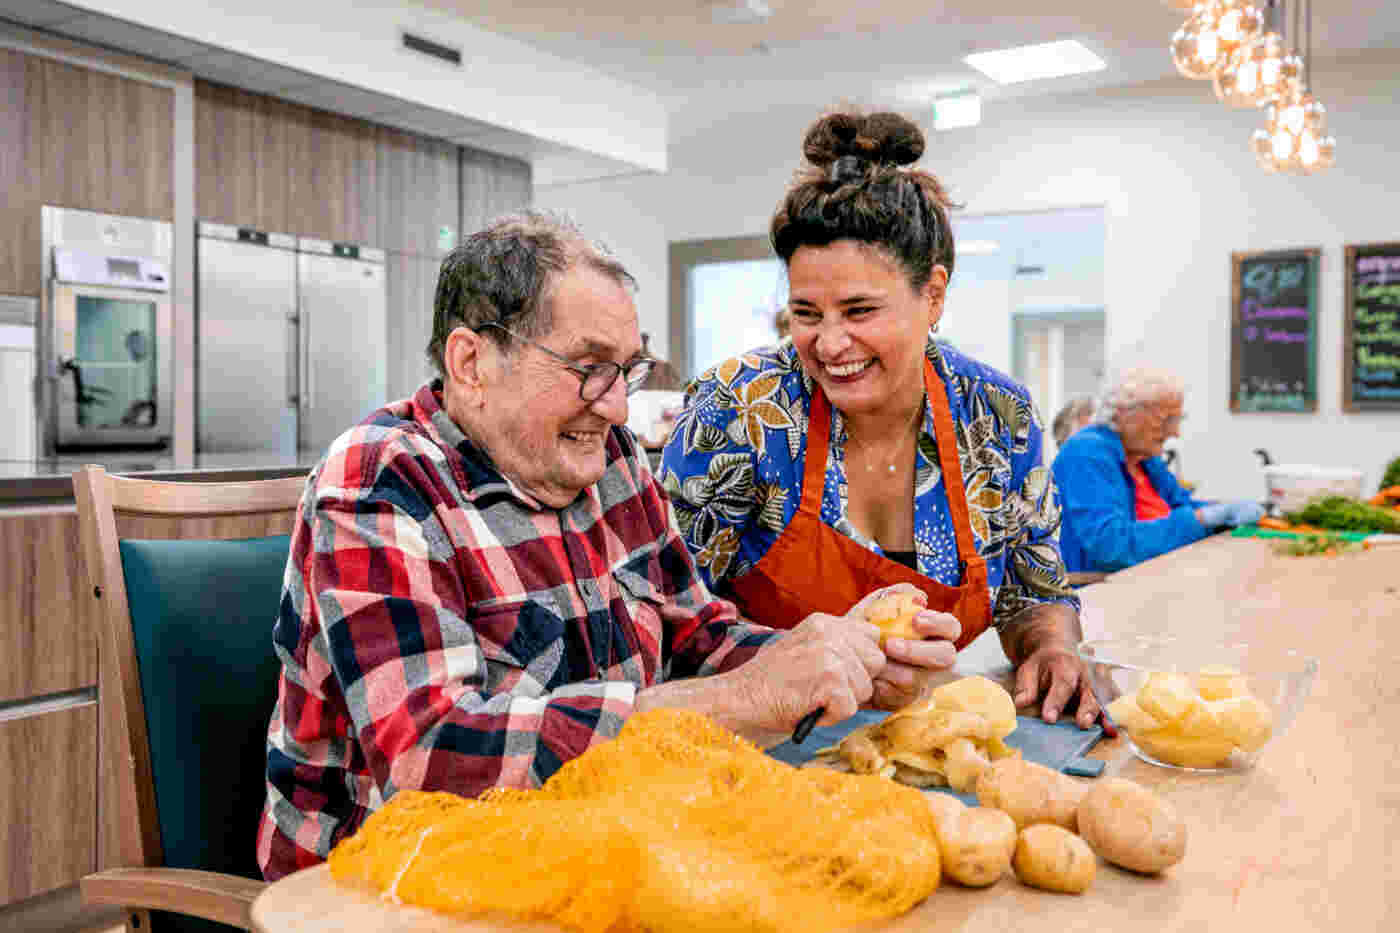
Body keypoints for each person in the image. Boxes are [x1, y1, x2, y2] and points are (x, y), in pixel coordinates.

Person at [257, 212, 959, 881]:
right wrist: (735, 700)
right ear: (471, 362)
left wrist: (834, 656)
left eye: (628, 370)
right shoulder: (380, 481)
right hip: (386, 888)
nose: (620, 407)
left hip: (593, 851)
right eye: (590, 368)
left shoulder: (611, 459)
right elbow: (430, 761)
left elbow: (700, 637)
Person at [659, 110, 1102, 737]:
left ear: (934, 294)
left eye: (860, 310)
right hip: (758, 749)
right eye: (807, 312)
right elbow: (662, 616)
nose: (831, 344)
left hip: (920, 745)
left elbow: (1032, 592)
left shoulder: (998, 417)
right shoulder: (739, 411)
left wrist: (1053, 647)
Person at [1051, 367, 1264, 573]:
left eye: (1177, 420)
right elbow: (1111, 547)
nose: (1175, 432)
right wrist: (1203, 519)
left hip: (1153, 574)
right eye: (1166, 420)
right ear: (1124, 414)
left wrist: (1224, 511)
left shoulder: (1143, 457)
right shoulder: (1086, 454)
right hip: (1097, 592)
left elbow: (1184, 506)